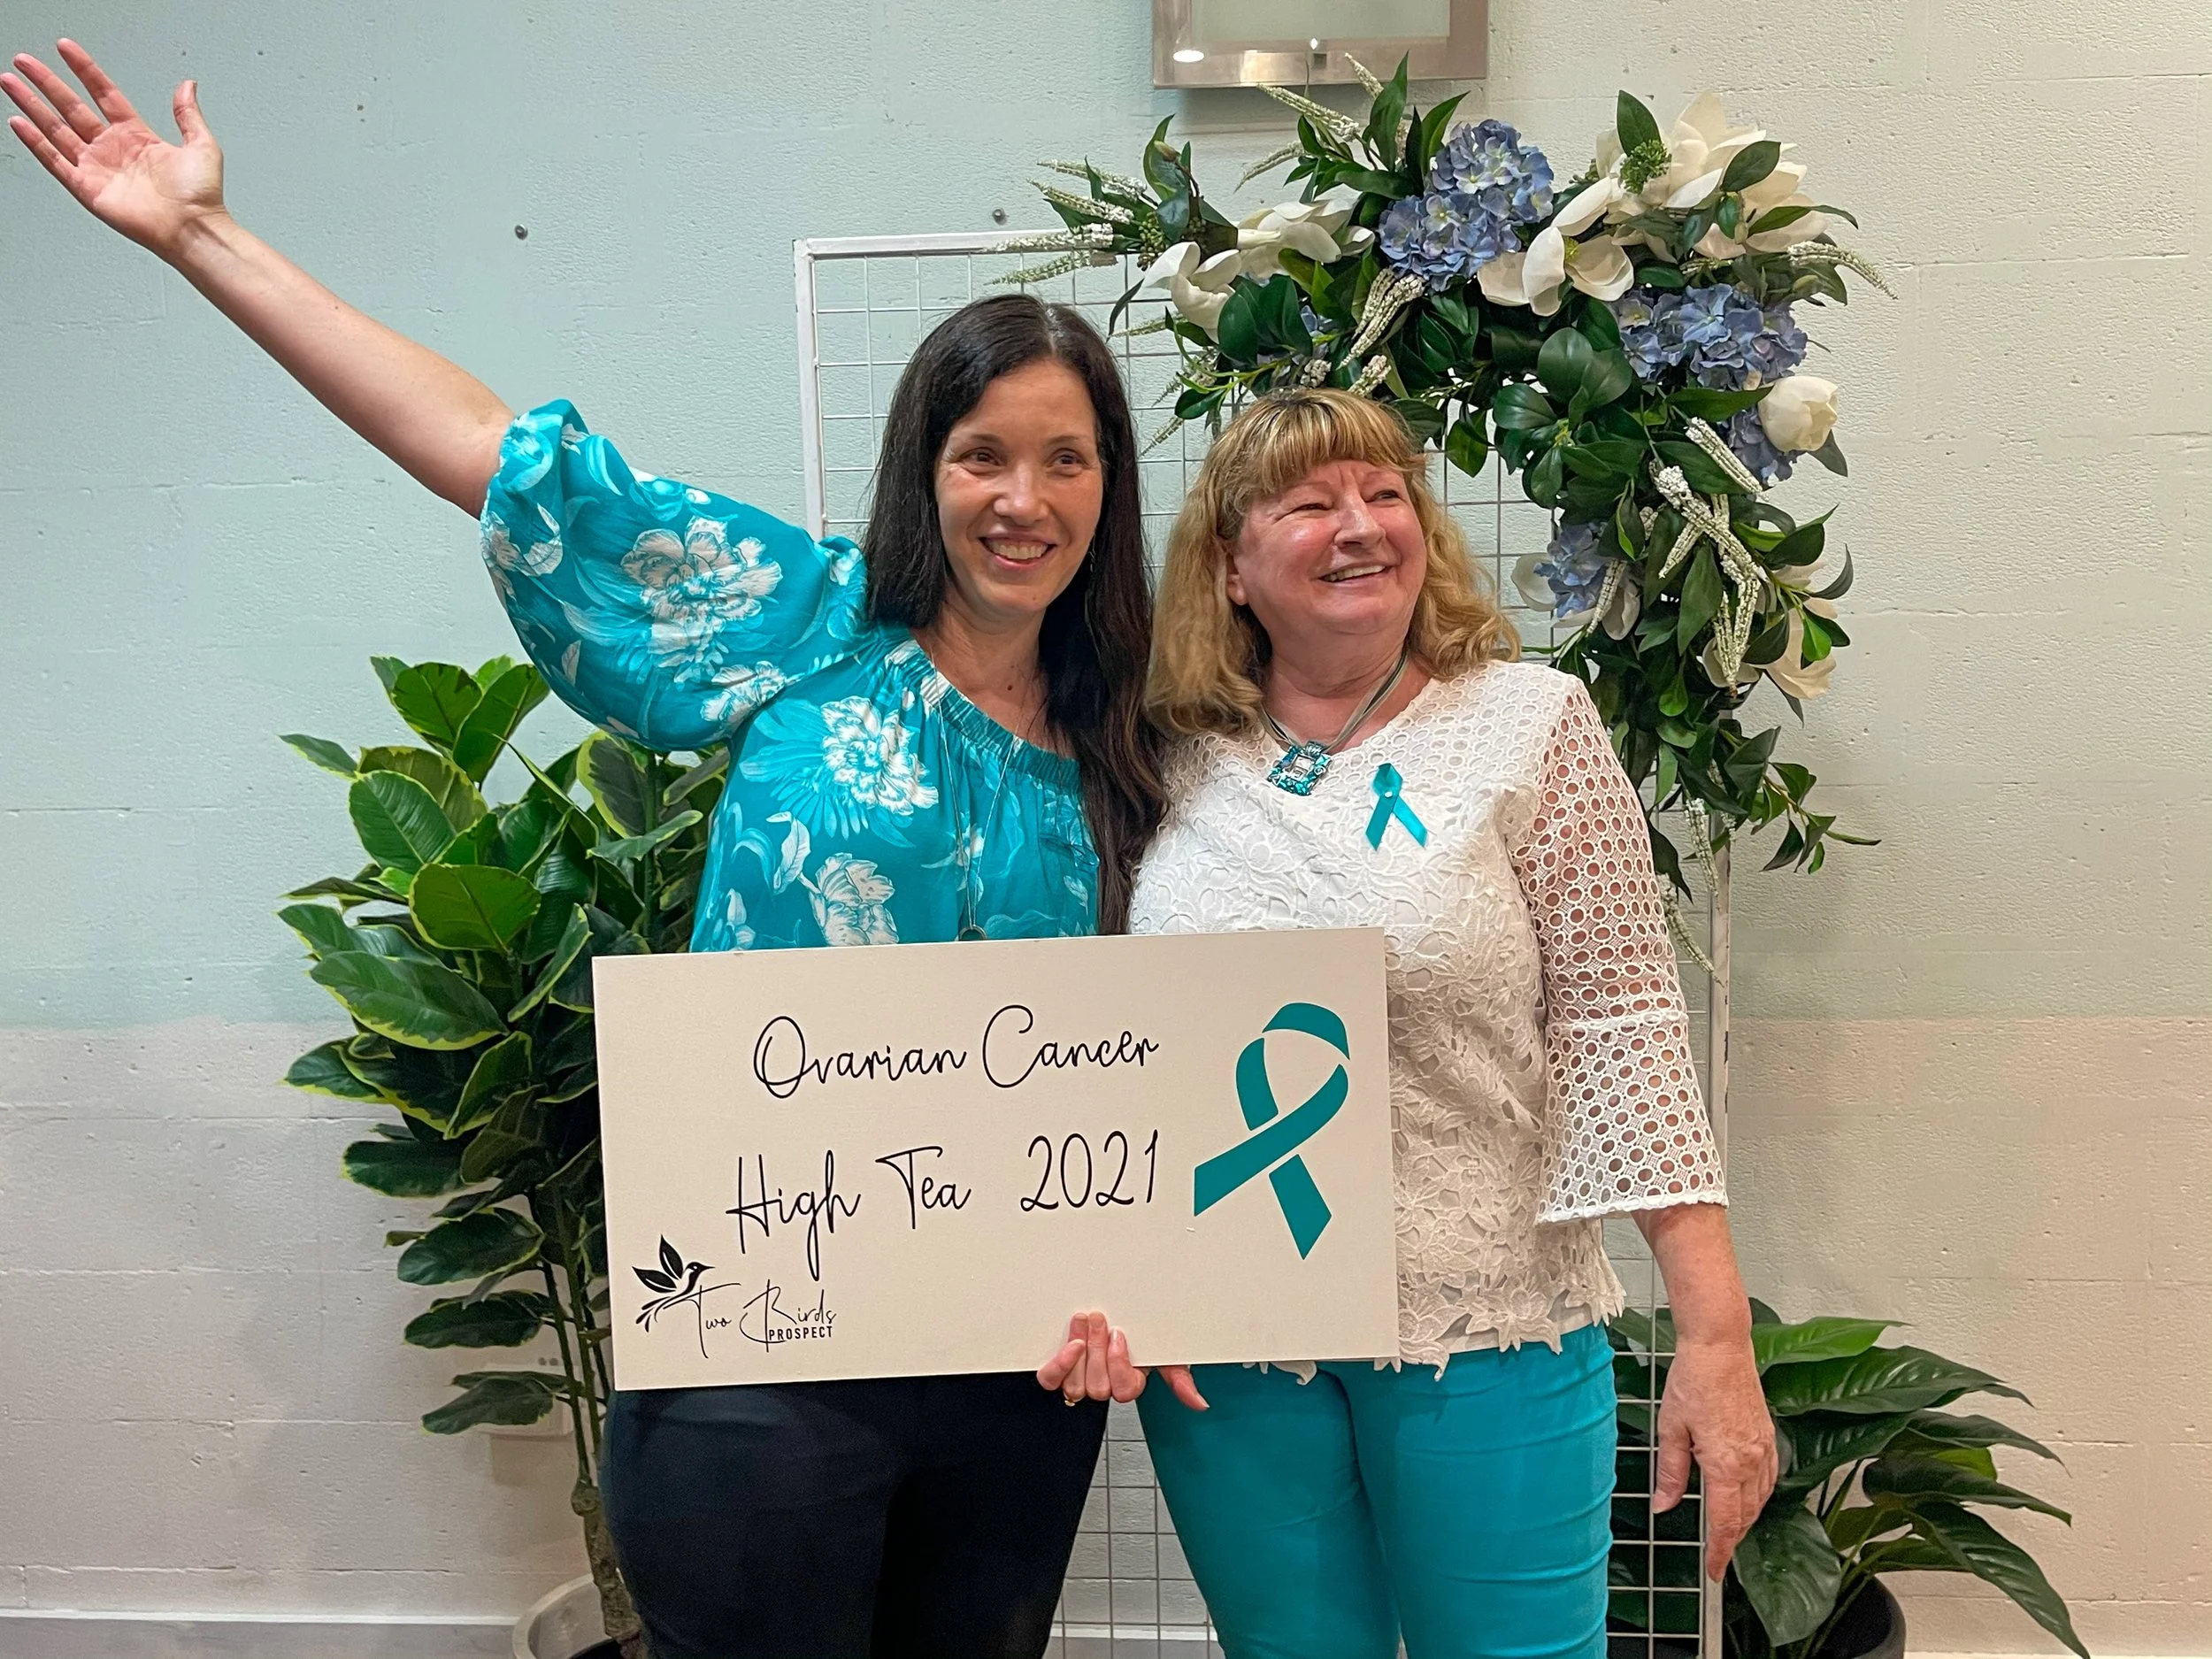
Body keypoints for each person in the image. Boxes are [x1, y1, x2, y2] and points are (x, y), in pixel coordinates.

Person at [4, 40, 1194, 1659]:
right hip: (760, 1362)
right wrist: (203, 236)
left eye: (1067, 458)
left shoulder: (1140, 744)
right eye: (984, 451)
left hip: (1018, 1383)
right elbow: (501, 456)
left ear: (1110, 489)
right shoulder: (800, 623)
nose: (1022, 496)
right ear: (925, 468)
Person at [1123, 388, 1778, 1659]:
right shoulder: (1163, 754)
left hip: (1489, 1324)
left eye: (1386, 494)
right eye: (1310, 504)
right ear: (1232, 566)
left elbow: (1624, 1024)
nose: (1360, 525)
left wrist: (1715, 1329)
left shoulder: (1529, 722)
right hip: (1234, 1351)